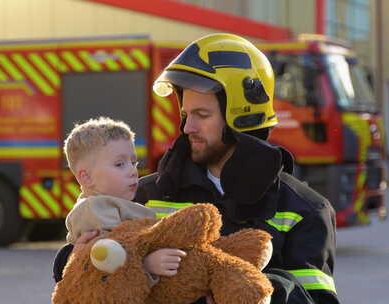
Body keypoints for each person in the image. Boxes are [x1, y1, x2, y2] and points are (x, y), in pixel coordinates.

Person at [134, 33, 339, 304]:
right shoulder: (146, 194)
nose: (187, 128)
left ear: (243, 117)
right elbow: (90, 274)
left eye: (202, 115)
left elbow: (316, 299)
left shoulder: (304, 210)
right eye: (186, 114)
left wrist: (255, 290)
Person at [57, 116, 186, 286]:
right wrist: (146, 264)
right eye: (119, 164)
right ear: (86, 177)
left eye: (134, 162)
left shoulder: (118, 202)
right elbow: (109, 259)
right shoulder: (93, 209)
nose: (133, 171)